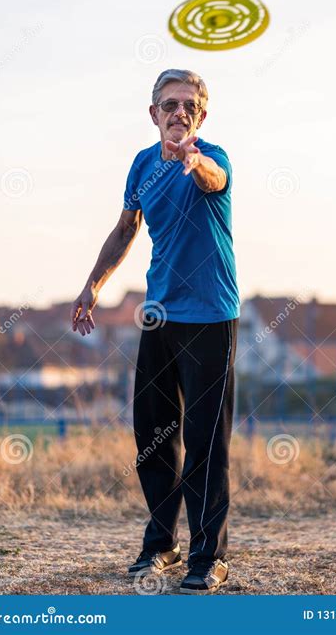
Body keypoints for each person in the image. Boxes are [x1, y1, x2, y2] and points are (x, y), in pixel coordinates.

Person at [71, 69, 240, 594]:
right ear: (153, 113)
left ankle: (208, 557)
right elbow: (126, 229)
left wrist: (193, 159)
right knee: (152, 436)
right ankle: (161, 545)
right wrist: (92, 286)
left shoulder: (212, 159)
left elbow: (213, 178)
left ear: (201, 116)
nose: (179, 112)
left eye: (189, 105)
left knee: (205, 442)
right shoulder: (143, 165)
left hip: (211, 315)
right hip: (159, 316)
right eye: (170, 104)